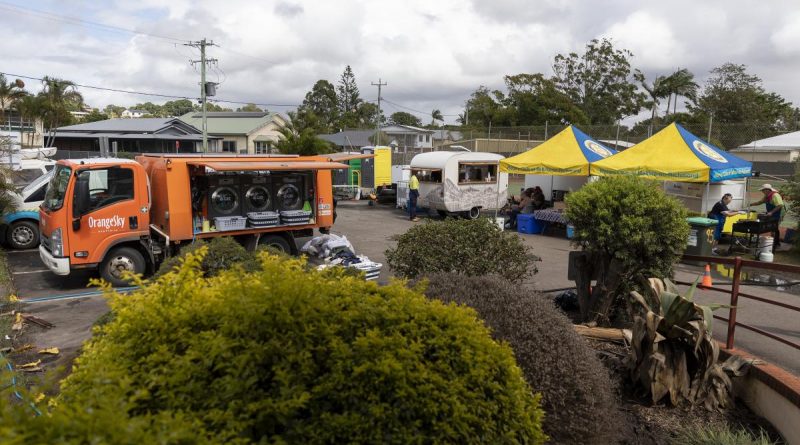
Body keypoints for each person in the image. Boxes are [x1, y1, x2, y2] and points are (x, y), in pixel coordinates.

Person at [751, 184, 785, 249]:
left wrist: (771, 212)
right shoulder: (766, 196)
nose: (762, 192)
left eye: (763, 190)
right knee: (772, 228)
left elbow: (780, 205)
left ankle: (776, 244)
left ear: (767, 190)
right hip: (772, 213)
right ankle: (773, 243)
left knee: (775, 228)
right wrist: (751, 204)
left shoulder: (775, 195)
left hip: (778, 213)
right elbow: (760, 202)